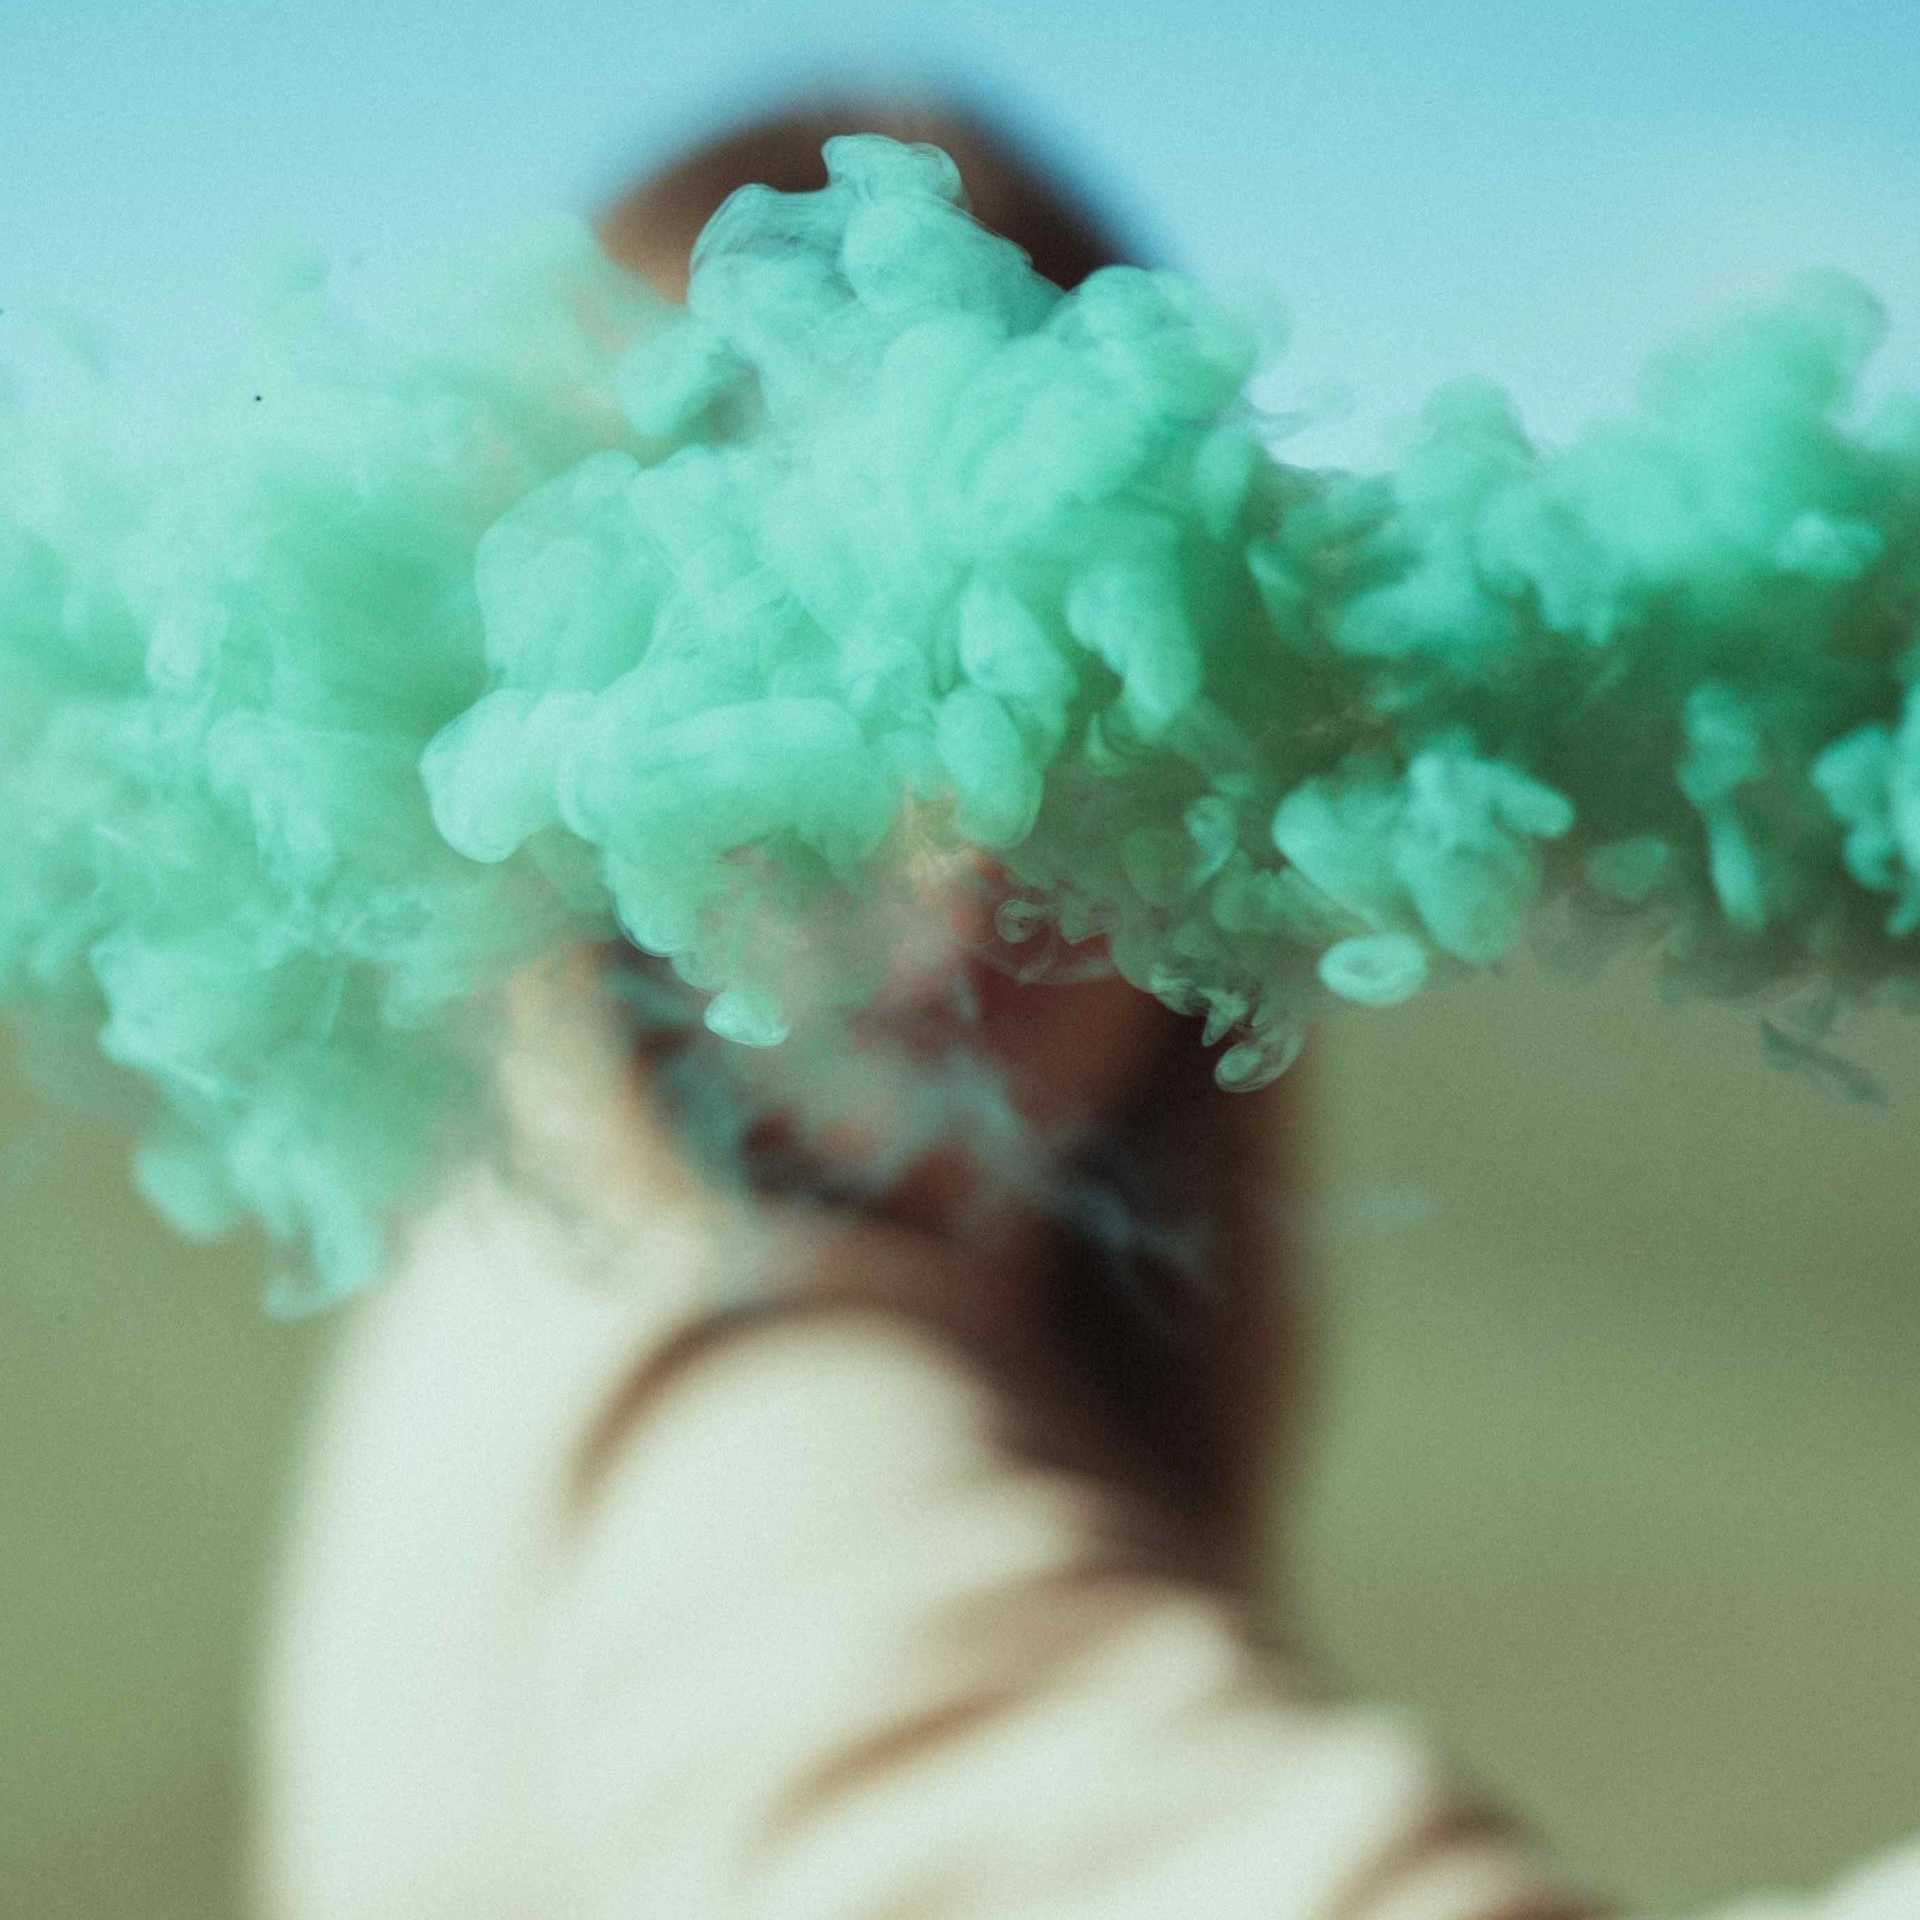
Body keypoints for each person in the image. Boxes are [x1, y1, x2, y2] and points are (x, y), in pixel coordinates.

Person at [250, 96, 1919, 1920]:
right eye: (822, 683)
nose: (968, 845)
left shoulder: (540, 1271)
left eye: (1090, 681)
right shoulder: (744, 1442)